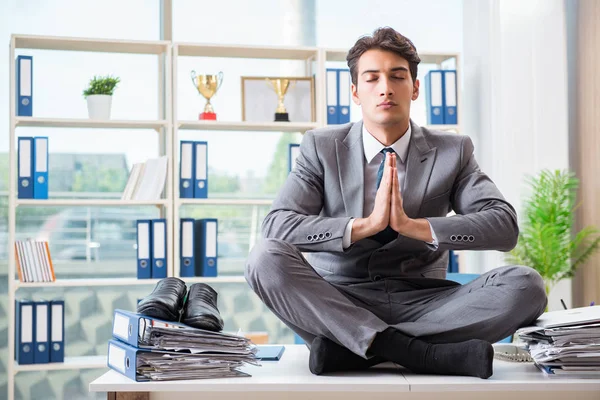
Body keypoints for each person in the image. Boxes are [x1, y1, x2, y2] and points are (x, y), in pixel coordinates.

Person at [245, 27, 547, 379]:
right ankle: (417, 353)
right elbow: (278, 225)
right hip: (339, 301)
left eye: (397, 76)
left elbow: (503, 226)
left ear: (415, 87)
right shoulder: (321, 147)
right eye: (371, 79)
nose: (385, 88)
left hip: (428, 304)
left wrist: (416, 227)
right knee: (264, 258)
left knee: (526, 284)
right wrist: (362, 227)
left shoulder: (453, 150)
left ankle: (361, 350)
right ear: (356, 93)